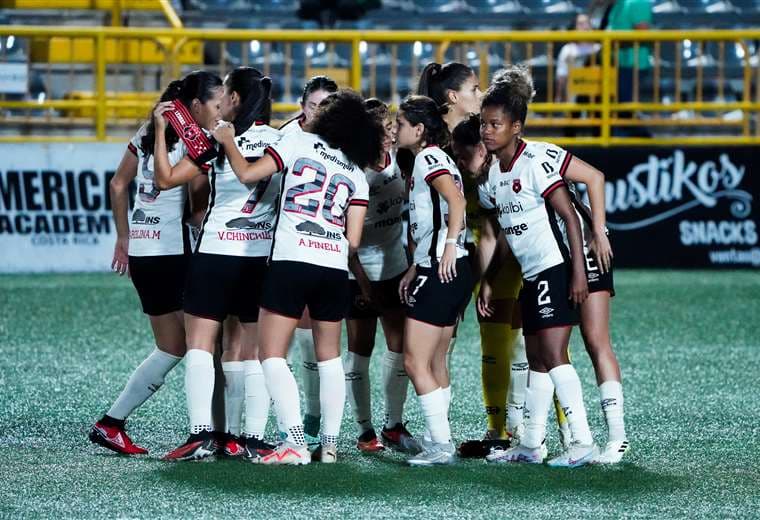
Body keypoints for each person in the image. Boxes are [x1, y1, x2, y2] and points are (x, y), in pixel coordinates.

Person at [213, 89, 383, 465]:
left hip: (292, 259)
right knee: (329, 359)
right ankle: (331, 445)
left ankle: (293, 442)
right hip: (334, 266)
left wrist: (227, 140)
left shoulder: (296, 140)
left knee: (270, 354)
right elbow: (353, 240)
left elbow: (246, 174)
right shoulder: (357, 172)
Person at [88, 71, 222, 455]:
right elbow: (195, 211)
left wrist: (124, 237)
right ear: (194, 105)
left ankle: (111, 422)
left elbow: (118, 184)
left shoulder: (147, 132)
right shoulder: (195, 144)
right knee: (204, 345)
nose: (217, 112)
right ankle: (209, 434)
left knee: (172, 347)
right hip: (174, 253)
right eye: (214, 104)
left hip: (145, 254)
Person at [152, 68, 282, 462]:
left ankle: (200, 435)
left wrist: (160, 130)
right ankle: (254, 439)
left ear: (237, 99)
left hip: (214, 255)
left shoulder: (216, 138)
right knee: (257, 351)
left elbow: (166, 179)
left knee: (200, 345)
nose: (220, 99)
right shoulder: (281, 141)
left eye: (225, 92)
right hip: (260, 257)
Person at [477, 66, 598, 467]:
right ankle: (531, 444)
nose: (487, 131)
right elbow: (510, 237)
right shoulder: (494, 175)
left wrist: (577, 272)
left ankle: (582, 442)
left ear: (516, 126)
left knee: (553, 354)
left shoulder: (536, 161)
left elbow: (569, 216)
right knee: (535, 359)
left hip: (553, 268)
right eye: (483, 124)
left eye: (496, 124)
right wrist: (492, 281)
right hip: (531, 277)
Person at [395, 95, 472, 466]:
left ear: (420, 129)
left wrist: (447, 247)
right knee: (438, 360)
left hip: (442, 267)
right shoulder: (441, 157)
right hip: (453, 267)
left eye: (401, 123)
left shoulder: (427, 158)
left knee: (414, 361)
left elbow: (457, 203)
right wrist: (418, 262)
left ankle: (440, 445)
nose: (396, 129)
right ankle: (438, 439)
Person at [344, 99, 419, 454]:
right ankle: (364, 431)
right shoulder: (354, 170)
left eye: (392, 127)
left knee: (400, 346)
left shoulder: (402, 161)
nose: (390, 134)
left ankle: (393, 424)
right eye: (383, 129)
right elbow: (349, 241)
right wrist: (361, 283)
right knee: (360, 351)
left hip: (395, 267)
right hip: (357, 272)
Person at [279, 75, 339, 446]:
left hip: (328, 251)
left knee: (324, 344)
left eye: (327, 106)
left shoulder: (344, 141)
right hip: (290, 246)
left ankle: (318, 425)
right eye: (315, 104)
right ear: (302, 105)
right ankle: (312, 420)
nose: (319, 112)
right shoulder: (286, 136)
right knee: (301, 339)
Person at [555, 14, 601, 103]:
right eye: (580, 23)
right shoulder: (567, 49)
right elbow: (561, 76)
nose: (585, 27)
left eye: (587, 23)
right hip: (573, 99)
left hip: (595, 100)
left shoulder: (599, 49)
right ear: (575, 27)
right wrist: (559, 97)